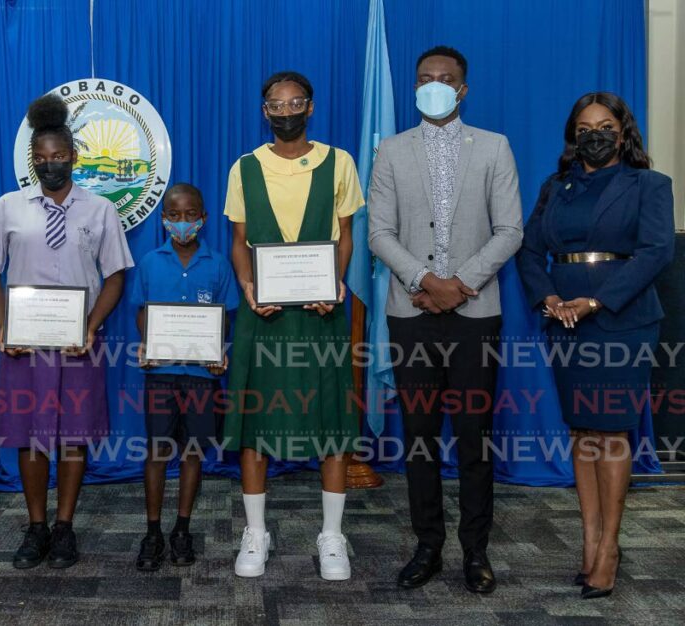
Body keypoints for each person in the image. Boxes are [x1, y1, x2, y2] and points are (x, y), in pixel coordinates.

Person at [368, 46, 523, 594]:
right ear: (415, 86)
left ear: (463, 89)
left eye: (445, 79)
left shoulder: (495, 148)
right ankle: (427, 545)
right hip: (411, 313)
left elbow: (510, 230)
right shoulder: (389, 150)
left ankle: (476, 552)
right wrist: (423, 282)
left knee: (475, 438)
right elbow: (379, 233)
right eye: (425, 78)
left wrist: (459, 285)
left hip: (474, 313)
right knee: (419, 436)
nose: (434, 85)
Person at [517, 92, 675, 599]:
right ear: (573, 135)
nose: (595, 134)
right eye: (585, 127)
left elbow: (656, 252)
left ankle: (610, 546)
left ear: (623, 132)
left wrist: (595, 302)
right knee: (581, 434)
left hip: (622, 321)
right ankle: (588, 540)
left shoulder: (649, 184)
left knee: (610, 433)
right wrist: (550, 300)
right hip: (564, 322)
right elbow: (529, 251)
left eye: (605, 125)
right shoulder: (554, 187)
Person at [224, 71, 363, 581]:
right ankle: (256, 533)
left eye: (295, 102)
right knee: (258, 422)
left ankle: (332, 535)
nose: (286, 112)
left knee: (329, 421)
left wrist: (335, 283)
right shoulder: (244, 167)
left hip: (321, 315)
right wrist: (247, 286)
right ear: (265, 112)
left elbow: (346, 234)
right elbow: (239, 240)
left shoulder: (339, 161)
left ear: (311, 106)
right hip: (264, 314)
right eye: (276, 105)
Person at [0, 93, 134, 570]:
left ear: (74, 156)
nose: (50, 165)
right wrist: (4, 325)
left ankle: (65, 527)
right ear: (32, 161)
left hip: (79, 342)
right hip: (24, 345)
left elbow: (116, 277)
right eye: (41, 159)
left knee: (73, 437)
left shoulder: (100, 210)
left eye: (58, 157)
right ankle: (35, 528)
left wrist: (91, 326)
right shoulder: (7, 206)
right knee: (30, 437)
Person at [130, 183, 238, 571]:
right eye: (173, 215)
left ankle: (182, 529)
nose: (182, 222)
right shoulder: (149, 262)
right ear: (163, 219)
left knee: (193, 453)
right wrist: (147, 344)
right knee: (158, 452)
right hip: (160, 373)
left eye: (190, 214)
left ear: (204, 218)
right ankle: (153, 531)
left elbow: (225, 316)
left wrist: (218, 353)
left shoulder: (218, 264)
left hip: (201, 378)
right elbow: (142, 310)